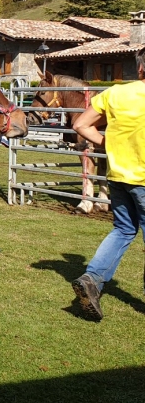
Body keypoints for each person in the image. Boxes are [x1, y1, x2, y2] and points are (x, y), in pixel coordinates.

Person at [71, 48, 145, 321]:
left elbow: (81, 124)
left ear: (139, 69)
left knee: (123, 230)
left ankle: (92, 278)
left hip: (117, 176)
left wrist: (110, 144)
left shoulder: (114, 93)